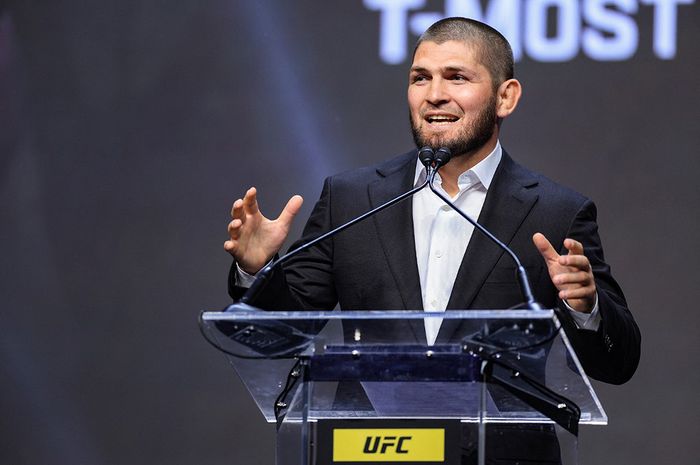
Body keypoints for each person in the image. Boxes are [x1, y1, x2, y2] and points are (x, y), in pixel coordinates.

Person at [224, 17, 640, 463]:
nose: (434, 94)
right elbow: (281, 335)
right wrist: (257, 270)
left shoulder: (557, 212)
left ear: (506, 96)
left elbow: (618, 363)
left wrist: (586, 310)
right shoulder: (352, 199)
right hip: (371, 454)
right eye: (420, 78)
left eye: (456, 77)